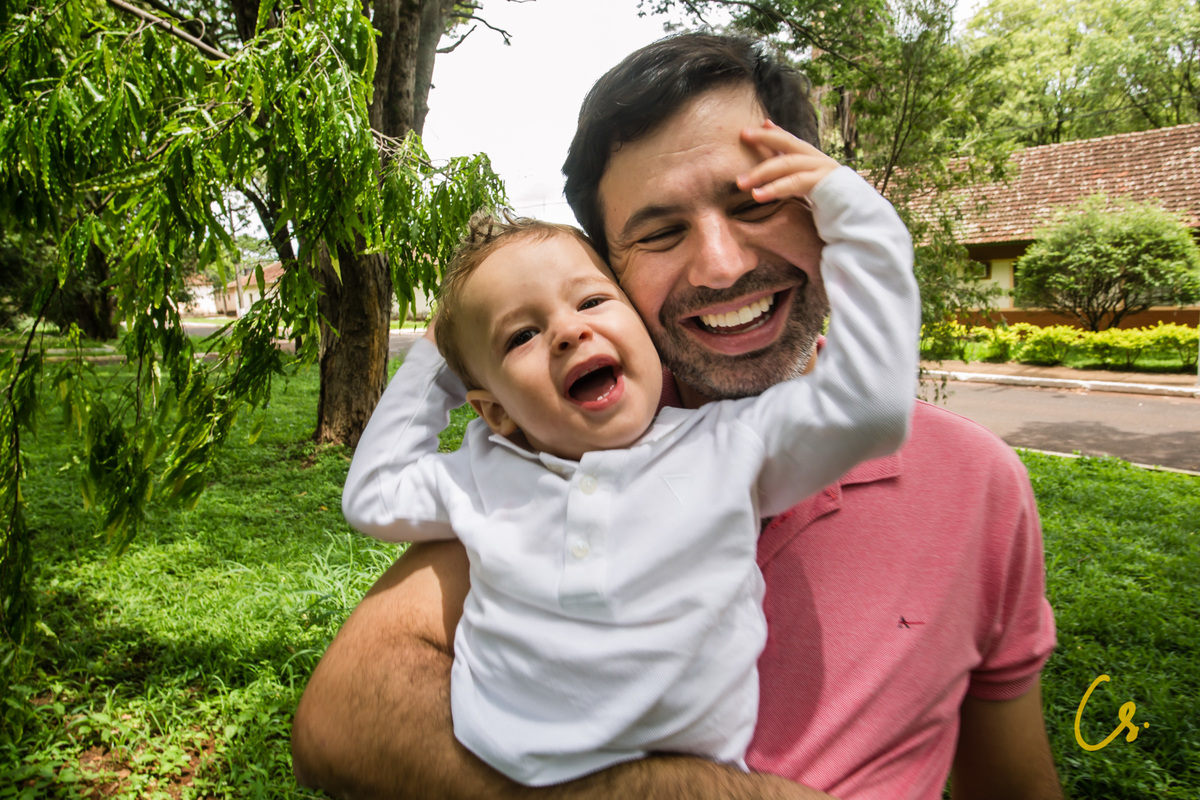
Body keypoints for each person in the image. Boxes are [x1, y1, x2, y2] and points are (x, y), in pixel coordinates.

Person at [292, 32, 1062, 800]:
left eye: (758, 202)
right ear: (612, 269)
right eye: (660, 232)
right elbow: (342, 722)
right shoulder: (554, 456)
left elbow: (1012, 780)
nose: (722, 265)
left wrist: (868, 226)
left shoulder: (977, 485)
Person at [340, 136, 917, 786]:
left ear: (643, 328)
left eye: (590, 302)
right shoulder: (483, 470)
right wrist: (436, 361)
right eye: (521, 336)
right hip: (491, 771)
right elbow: (373, 496)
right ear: (495, 410)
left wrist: (860, 222)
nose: (567, 331)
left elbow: (871, 405)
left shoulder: (728, 444)